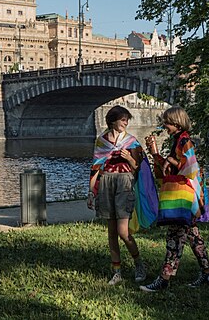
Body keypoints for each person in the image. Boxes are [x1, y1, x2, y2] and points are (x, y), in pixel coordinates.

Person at [140, 106, 209, 292]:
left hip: (183, 197)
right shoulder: (178, 140)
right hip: (185, 196)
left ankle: (164, 280)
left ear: (176, 123)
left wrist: (168, 160)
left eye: (167, 122)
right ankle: (207, 274)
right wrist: (155, 153)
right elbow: (169, 171)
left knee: (174, 238)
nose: (164, 125)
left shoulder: (185, 141)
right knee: (193, 237)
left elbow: (190, 168)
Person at [87, 105, 147, 285]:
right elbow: (95, 168)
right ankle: (117, 271)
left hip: (125, 183)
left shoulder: (132, 142)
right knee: (111, 232)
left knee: (123, 231)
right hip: (106, 183)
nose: (125, 122)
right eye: (123, 119)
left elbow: (139, 168)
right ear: (112, 121)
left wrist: (129, 158)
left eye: (127, 119)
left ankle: (138, 264)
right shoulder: (101, 141)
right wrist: (91, 191)